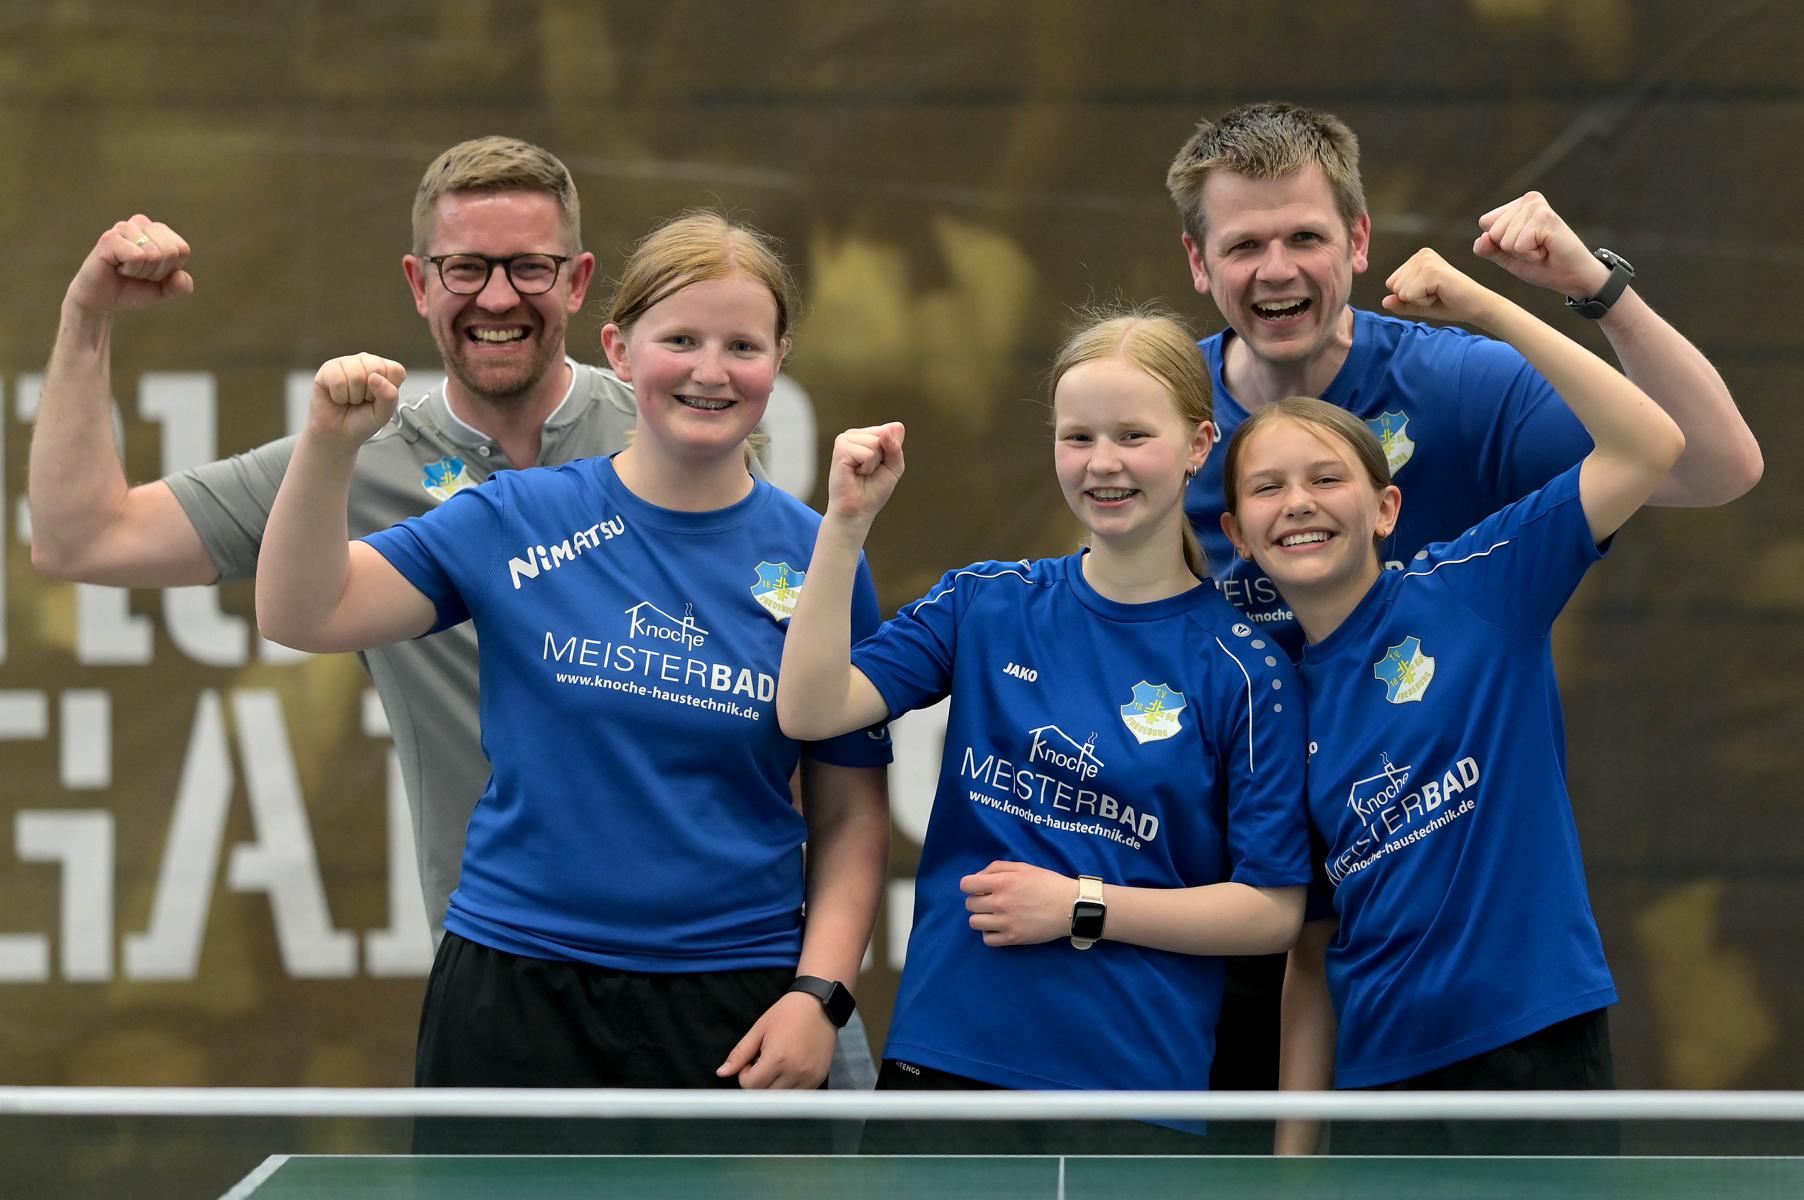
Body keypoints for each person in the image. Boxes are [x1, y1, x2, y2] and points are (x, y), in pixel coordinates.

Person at [25, 137, 880, 1088]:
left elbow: (828, 760)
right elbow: (81, 539)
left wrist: (819, 992)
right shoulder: (365, 454)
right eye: (466, 268)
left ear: (578, 284)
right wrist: (86, 319)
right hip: (521, 967)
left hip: (746, 973)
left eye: (530, 268)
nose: (498, 297)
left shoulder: (679, 428)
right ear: (420, 283)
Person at [1162, 99, 1763, 1108]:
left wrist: (1592, 288)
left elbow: (1716, 465)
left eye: (1305, 237)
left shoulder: (1458, 383)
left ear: (1358, 240)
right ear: (1196, 261)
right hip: (1233, 912)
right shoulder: (1163, 411)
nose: (1276, 270)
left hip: (1440, 922)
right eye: (1243, 245)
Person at [254, 211, 891, 1148]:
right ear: (620, 352)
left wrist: (818, 997)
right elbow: (301, 612)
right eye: (681, 340)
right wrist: (326, 446)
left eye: (742, 346)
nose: (711, 371)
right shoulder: (515, 516)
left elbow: (849, 818)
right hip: (514, 992)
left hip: (734, 1008)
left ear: (779, 360)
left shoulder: (820, 555)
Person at [778, 309, 1312, 1153]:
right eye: (1078, 437)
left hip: (1131, 1092)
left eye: (1133, 435)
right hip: (945, 1063)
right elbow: (811, 710)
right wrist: (843, 526)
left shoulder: (1246, 669)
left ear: (1198, 445)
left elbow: (1272, 911)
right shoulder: (987, 602)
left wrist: (1081, 907)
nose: (1103, 463)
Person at [1215, 247, 1687, 1155]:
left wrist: (1487, 310)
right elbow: (1310, 953)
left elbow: (1651, 446)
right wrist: (1293, 1162)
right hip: (1378, 1087)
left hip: (1534, 1048)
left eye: (1326, 479)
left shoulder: (1478, 583)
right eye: (1268, 488)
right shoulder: (1271, 708)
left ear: (1386, 509)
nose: (1299, 504)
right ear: (1238, 534)